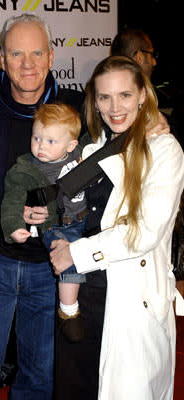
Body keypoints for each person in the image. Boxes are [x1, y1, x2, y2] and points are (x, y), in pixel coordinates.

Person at [0, 14, 171, 400]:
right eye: (16, 53)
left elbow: (118, 117)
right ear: (1, 58)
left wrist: (151, 119)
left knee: (39, 378)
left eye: (37, 52)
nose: (27, 63)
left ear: (52, 56)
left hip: (50, 264)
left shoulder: (77, 107)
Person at [50, 55, 184, 399]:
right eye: (105, 97)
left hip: (130, 304)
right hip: (80, 299)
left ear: (143, 94)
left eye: (125, 95)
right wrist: (40, 220)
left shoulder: (164, 149)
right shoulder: (91, 150)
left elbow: (146, 230)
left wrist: (75, 254)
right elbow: (64, 205)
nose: (115, 107)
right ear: (94, 101)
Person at [1, 102, 87, 342]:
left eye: (51, 141)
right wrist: (14, 226)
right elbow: (12, 200)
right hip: (56, 228)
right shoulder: (25, 170)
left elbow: (106, 140)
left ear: (71, 145)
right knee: (67, 260)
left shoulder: (82, 154)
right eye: (36, 138)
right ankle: (69, 311)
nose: (41, 146)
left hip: (84, 222)